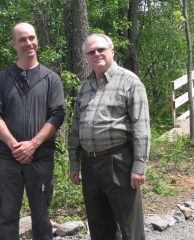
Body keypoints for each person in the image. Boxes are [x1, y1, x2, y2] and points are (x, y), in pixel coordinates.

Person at [0, 22, 65, 240]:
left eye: (31, 38)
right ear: (14, 44)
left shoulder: (51, 79)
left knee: (41, 216)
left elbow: (57, 115)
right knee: (8, 214)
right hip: (8, 159)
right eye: (22, 39)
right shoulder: (2, 79)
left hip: (40, 159)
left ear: (37, 40)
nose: (28, 43)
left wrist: (33, 144)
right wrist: (14, 145)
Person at [68, 34, 150, 240]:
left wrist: (139, 166)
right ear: (86, 57)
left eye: (101, 49)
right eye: (91, 52)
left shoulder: (130, 81)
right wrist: (74, 163)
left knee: (130, 226)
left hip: (118, 161)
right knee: (99, 226)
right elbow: (76, 126)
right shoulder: (85, 86)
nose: (97, 54)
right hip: (90, 163)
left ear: (111, 51)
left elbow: (141, 126)